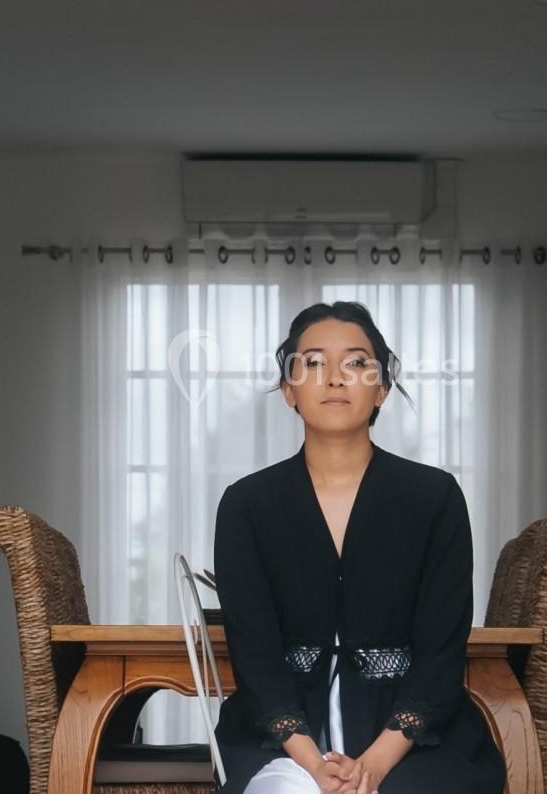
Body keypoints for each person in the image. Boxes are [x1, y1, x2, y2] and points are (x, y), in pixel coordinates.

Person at [211, 301, 507, 794]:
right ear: (288, 390)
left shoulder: (435, 497)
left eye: (355, 362)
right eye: (311, 363)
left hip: (414, 741)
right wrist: (313, 763)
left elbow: (442, 647)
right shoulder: (247, 504)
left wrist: (376, 761)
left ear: (382, 389)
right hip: (282, 742)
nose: (334, 377)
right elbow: (254, 651)